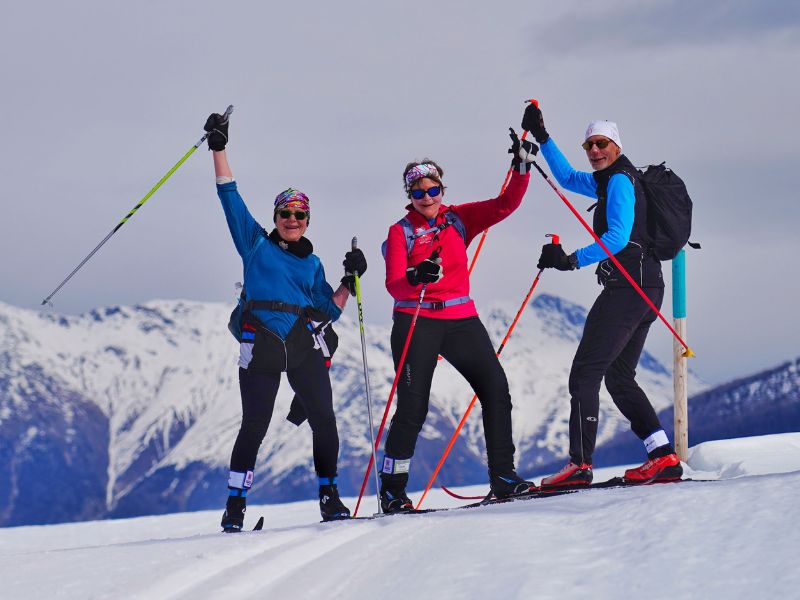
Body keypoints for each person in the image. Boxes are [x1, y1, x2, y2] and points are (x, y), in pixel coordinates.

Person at [203, 112, 368, 530]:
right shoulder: (255, 244)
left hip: (301, 344)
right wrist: (219, 148)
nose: (291, 220)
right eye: (285, 213)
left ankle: (330, 498)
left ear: (307, 221)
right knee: (254, 424)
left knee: (324, 418)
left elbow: (328, 310)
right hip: (260, 341)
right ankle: (235, 506)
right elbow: (229, 195)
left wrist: (350, 280)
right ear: (275, 218)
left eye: (299, 214)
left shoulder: (312, 264)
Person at [521, 103, 683, 488]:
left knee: (585, 373)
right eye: (590, 145)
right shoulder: (605, 180)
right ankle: (662, 456)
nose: (595, 151)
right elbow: (565, 177)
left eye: (602, 144)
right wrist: (542, 136)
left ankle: (580, 465)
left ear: (616, 145)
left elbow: (618, 237)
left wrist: (569, 259)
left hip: (629, 288)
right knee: (619, 376)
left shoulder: (621, 181)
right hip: (645, 288)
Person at [379, 130, 538, 512]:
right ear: (409, 197)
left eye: (433, 190)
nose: (427, 198)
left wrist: (521, 168)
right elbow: (394, 284)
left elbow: (505, 205)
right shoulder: (400, 232)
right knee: (413, 408)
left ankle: (503, 476)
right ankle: (392, 489)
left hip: (462, 318)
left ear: (442, 190)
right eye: (418, 193)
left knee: (496, 389)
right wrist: (416, 277)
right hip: (417, 320)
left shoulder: (459, 219)